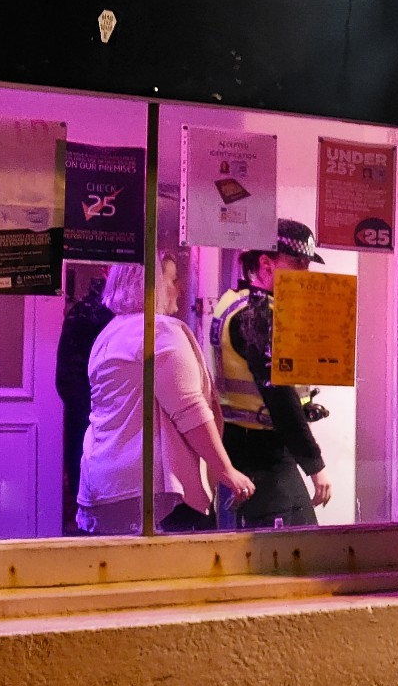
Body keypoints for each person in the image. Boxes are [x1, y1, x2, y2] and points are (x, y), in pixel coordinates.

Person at [77, 259, 256, 535]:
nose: (180, 288)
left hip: (103, 484)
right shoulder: (158, 332)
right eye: (173, 279)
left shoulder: (109, 334)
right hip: (156, 493)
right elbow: (191, 412)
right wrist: (226, 471)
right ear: (152, 285)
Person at [210, 218, 332, 528]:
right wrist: (315, 464)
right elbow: (278, 395)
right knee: (297, 556)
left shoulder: (233, 302)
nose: (305, 274)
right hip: (264, 460)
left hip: (252, 452)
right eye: (298, 263)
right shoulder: (258, 315)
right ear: (266, 263)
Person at [56, 268, 116, 535]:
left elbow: (66, 380)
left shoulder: (87, 313)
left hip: (91, 426)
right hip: (94, 428)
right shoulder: (96, 316)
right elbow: (68, 380)